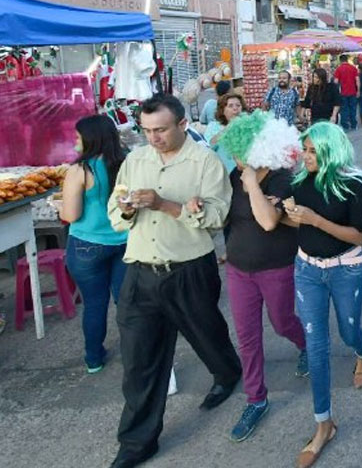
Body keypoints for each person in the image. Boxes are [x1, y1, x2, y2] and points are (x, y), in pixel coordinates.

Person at [106, 95, 241, 468]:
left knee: (206, 333)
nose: (153, 138)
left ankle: (227, 372)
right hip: (140, 271)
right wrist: (128, 208)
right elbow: (115, 210)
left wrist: (167, 204)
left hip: (188, 271)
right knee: (139, 361)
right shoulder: (136, 160)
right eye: (147, 131)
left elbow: (217, 218)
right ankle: (137, 443)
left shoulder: (205, 162)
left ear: (182, 124)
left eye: (161, 130)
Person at [285, 122, 362, 468]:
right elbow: (298, 222)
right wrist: (291, 215)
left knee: (349, 332)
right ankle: (324, 425)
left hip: (346, 268)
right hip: (307, 270)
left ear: (330, 151)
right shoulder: (300, 181)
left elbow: (358, 236)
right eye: (304, 150)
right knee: (316, 347)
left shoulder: (353, 184)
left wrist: (313, 219)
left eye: (313, 151)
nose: (306, 157)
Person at [216, 111, 307, 443]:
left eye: (242, 151)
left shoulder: (283, 178)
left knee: (282, 322)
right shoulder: (233, 176)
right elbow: (227, 219)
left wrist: (253, 184)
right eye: (235, 152)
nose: (237, 159)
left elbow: (269, 222)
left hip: (276, 266)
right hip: (239, 269)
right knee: (247, 337)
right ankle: (256, 399)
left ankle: (305, 344)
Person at [60, 115, 128, 374]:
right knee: (126, 301)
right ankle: (134, 350)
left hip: (86, 246)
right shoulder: (126, 163)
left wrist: (61, 209)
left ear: (90, 139)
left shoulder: (80, 170)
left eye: (78, 136)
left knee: (95, 303)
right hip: (124, 241)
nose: (74, 140)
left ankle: (94, 358)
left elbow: (72, 215)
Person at [204, 91, 245, 174]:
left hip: (245, 171)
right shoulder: (214, 126)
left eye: (238, 105)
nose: (235, 108)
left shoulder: (246, 125)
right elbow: (209, 146)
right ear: (222, 110)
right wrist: (229, 127)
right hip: (225, 173)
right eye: (230, 106)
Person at [334, 56, 360, 131]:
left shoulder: (338, 69)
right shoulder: (353, 68)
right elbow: (357, 80)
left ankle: (345, 126)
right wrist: (358, 90)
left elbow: (336, 81)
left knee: (344, 109)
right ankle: (354, 125)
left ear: (340, 61)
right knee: (353, 108)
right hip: (353, 92)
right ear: (347, 60)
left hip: (343, 93)